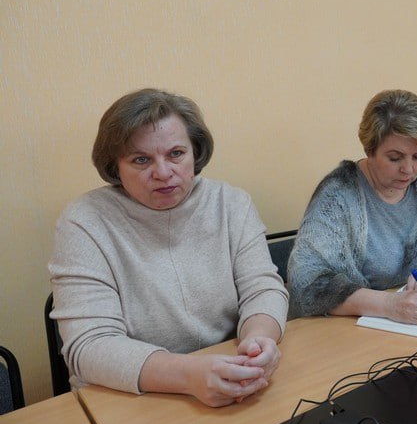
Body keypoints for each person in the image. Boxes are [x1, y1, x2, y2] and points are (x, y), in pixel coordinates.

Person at [49, 89, 288, 407]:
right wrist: (188, 375)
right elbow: (90, 345)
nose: (162, 173)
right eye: (141, 159)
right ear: (115, 166)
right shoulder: (84, 221)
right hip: (127, 397)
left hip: (232, 375)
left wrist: (260, 341)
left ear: (195, 152)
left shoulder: (231, 204)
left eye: (176, 153)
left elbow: (262, 288)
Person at [287, 89, 417, 323]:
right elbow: (307, 284)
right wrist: (389, 305)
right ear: (369, 150)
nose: (408, 170)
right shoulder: (339, 195)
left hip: (413, 324)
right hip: (349, 329)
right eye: (395, 158)